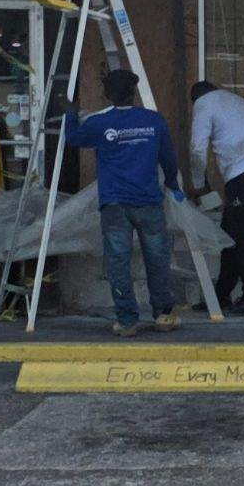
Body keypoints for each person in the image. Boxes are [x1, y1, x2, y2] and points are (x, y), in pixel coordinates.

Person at [72, 66, 184, 335]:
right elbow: (168, 158)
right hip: (148, 202)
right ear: (133, 93)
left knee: (118, 261)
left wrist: (69, 114)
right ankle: (163, 315)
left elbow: (72, 138)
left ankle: (127, 321)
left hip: (115, 205)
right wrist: (172, 183)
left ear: (108, 95)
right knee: (157, 259)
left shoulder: (99, 124)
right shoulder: (154, 121)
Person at [189, 78, 244, 314]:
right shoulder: (241, 103)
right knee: (231, 236)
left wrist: (198, 184)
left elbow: (197, 149)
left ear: (196, 98)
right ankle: (221, 295)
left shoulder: (203, 104)